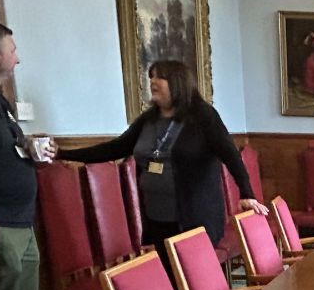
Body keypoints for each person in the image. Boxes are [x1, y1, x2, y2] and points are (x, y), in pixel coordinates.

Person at [57, 59, 267, 271]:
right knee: (171, 277)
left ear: (177, 82)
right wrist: (62, 153)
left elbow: (230, 155)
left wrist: (246, 193)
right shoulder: (148, 120)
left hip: (194, 217)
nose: (153, 82)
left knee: (195, 277)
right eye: (151, 77)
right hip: (157, 216)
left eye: (160, 77)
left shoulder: (203, 116)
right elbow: (115, 148)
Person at [0, 22, 57, 290]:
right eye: (13, 49)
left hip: (22, 222)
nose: (17, 58)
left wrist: (30, 145)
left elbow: (8, 146)